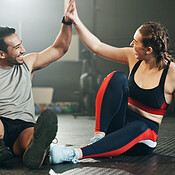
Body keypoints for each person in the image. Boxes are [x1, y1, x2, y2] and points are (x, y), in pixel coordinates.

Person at [49, 0, 175, 164]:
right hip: (119, 125)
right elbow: (98, 46)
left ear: (148, 50)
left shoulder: (171, 73)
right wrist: (75, 20)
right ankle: (99, 137)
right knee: (117, 77)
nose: (131, 44)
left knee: (141, 127)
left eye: (135, 42)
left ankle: (74, 154)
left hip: (142, 138)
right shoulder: (133, 57)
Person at [0, 4, 73, 169]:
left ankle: (37, 152)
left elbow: (60, 48)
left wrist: (67, 22)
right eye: (17, 47)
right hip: (0, 125)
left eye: (21, 44)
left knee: (33, 139)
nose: (23, 50)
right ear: (1, 54)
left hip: (23, 126)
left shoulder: (27, 63)